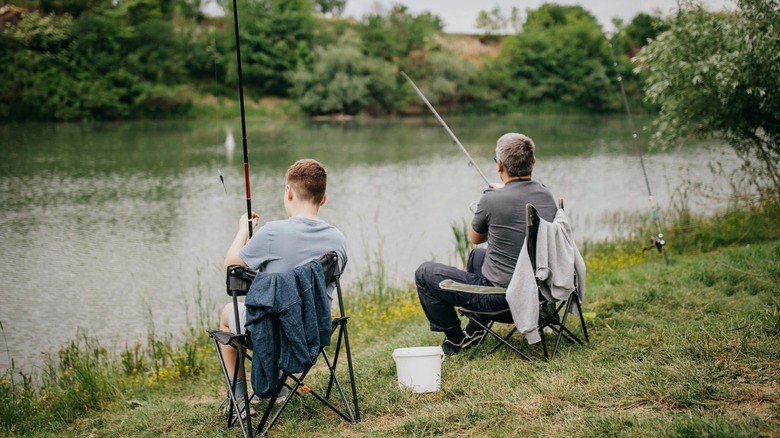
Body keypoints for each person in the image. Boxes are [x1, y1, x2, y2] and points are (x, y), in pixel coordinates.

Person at [218, 159, 347, 411]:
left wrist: (243, 231)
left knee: (227, 314)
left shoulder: (271, 233)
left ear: (288, 192)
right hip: (316, 330)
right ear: (323, 199)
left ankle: (238, 398)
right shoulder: (338, 239)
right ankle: (279, 384)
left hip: (270, 334)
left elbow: (231, 270)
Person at [415, 133, 557, 354]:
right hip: (541, 292)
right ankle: (476, 330)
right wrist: (505, 192)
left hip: (504, 300)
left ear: (500, 165)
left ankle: (456, 340)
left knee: (424, 273)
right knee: (477, 256)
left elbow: (476, 238)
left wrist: (495, 196)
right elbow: (520, 203)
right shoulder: (546, 194)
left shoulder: (491, 199)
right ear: (533, 162)